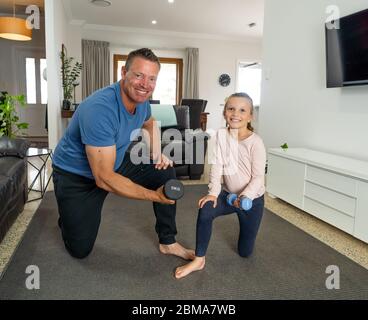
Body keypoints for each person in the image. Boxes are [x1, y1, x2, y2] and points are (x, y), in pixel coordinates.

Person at [52, 48, 194, 260]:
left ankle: (168, 241)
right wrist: (154, 195)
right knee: (80, 250)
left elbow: (149, 123)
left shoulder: (142, 99)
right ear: (123, 72)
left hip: (113, 162)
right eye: (138, 75)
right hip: (76, 175)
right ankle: (68, 217)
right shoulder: (99, 109)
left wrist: (157, 155)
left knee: (165, 172)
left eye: (152, 78)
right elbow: (104, 178)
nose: (145, 84)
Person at [175, 92, 266, 279]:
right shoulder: (221, 136)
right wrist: (213, 194)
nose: (235, 113)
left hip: (251, 201)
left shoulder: (255, 142)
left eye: (242, 110)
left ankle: (246, 238)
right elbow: (216, 168)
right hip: (227, 196)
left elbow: (258, 178)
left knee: (245, 252)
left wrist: (245, 196)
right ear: (225, 113)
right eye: (231, 109)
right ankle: (199, 260)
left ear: (250, 116)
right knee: (206, 208)